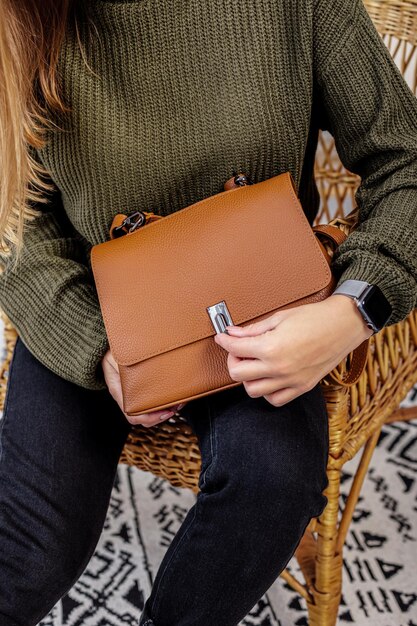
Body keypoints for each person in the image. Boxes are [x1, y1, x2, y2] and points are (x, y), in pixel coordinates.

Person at [0, 0, 416, 624]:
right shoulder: (17, 19)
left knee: (271, 484)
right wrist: (100, 349)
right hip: (91, 296)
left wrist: (350, 311)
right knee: (31, 547)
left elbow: (406, 159)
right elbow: (15, 218)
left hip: (263, 301)